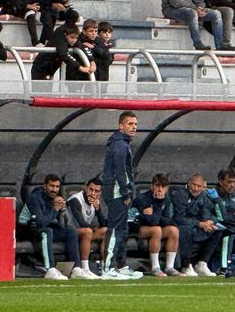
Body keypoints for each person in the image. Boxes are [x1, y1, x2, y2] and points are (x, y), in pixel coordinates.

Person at [18, 174, 85, 280]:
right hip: (27, 230)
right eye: (52, 186)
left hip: (46, 228)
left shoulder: (55, 198)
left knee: (70, 231)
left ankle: (76, 268)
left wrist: (62, 210)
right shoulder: (35, 198)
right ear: (45, 186)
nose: (54, 189)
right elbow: (40, 222)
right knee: (46, 231)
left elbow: (55, 221)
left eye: (57, 187)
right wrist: (55, 209)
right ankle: (50, 269)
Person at [101, 111, 143, 280]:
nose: (134, 127)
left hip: (119, 190)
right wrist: (126, 192)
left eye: (135, 124)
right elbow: (121, 171)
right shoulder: (119, 145)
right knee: (115, 228)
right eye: (130, 124)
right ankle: (107, 267)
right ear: (121, 126)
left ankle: (121, 264)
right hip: (116, 191)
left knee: (122, 229)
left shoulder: (122, 143)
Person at [131, 174, 181, 277]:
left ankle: (169, 267)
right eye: (157, 186)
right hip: (138, 227)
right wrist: (158, 205)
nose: (160, 189)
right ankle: (155, 267)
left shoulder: (166, 199)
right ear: (152, 186)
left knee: (173, 230)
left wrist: (156, 215)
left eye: (163, 187)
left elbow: (168, 220)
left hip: (155, 226)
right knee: (156, 229)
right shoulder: (143, 199)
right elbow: (151, 221)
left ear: (166, 189)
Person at [176, 173, 222, 277]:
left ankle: (202, 263)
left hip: (197, 226)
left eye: (199, 186)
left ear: (203, 187)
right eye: (193, 184)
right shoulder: (180, 194)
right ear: (189, 183)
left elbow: (206, 214)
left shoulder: (204, 197)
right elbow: (179, 217)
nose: (195, 188)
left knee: (217, 230)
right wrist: (199, 223)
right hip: (182, 225)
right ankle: (185, 265)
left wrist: (209, 222)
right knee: (187, 230)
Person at [65, 178, 106, 278]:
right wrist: (94, 227)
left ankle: (105, 266)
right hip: (70, 232)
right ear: (85, 188)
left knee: (106, 231)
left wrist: (97, 209)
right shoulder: (75, 200)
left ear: (100, 193)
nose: (93, 193)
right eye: (91, 189)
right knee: (87, 231)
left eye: (96, 191)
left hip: (85, 233)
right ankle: (85, 269)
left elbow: (103, 223)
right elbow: (81, 223)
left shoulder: (96, 202)